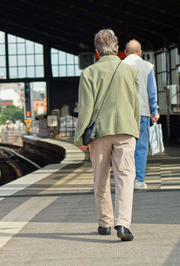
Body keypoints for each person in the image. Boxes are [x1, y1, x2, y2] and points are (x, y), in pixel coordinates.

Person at [74, 29, 140, 241]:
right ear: (117, 49)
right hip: (125, 130)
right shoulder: (130, 71)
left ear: (97, 52)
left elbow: (85, 109)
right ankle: (123, 224)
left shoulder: (88, 73)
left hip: (100, 133)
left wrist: (79, 138)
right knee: (126, 177)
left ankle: (105, 223)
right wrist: (135, 128)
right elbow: (134, 103)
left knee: (100, 178)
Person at [123, 39, 160, 190]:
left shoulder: (120, 66)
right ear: (140, 52)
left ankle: (125, 179)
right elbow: (152, 91)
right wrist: (154, 110)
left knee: (125, 147)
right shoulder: (147, 66)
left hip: (125, 113)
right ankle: (138, 180)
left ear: (125, 52)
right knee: (141, 147)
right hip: (143, 112)